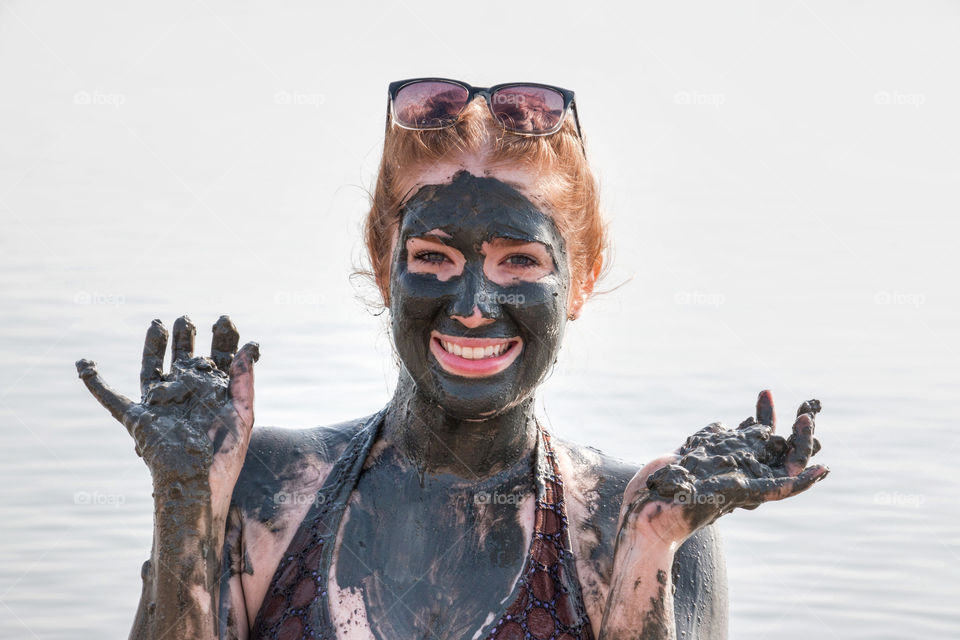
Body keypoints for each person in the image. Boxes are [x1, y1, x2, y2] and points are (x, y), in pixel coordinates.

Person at [75, 78, 829, 640]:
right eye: (434, 255)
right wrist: (184, 501)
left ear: (582, 280)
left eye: (519, 262)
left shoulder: (644, 520)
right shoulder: (265, 490)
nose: (472, 304)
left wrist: (648, 550)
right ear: (383, 264)